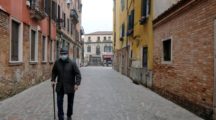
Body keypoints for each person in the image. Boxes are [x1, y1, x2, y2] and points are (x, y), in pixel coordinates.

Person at [51, 47, 81, 120]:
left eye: (64, 54)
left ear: (67, 54)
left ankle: (69, 115)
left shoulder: (72, 63)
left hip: (70, 85)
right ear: (60, 54)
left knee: (70, 102)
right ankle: (60, 117)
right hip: (60, 86)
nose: (63, 55)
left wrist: (77, 84)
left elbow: (78, 74)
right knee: (59, 102)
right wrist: (53, 79)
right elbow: (54, 72)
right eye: (61, 54)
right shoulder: (57, 62)